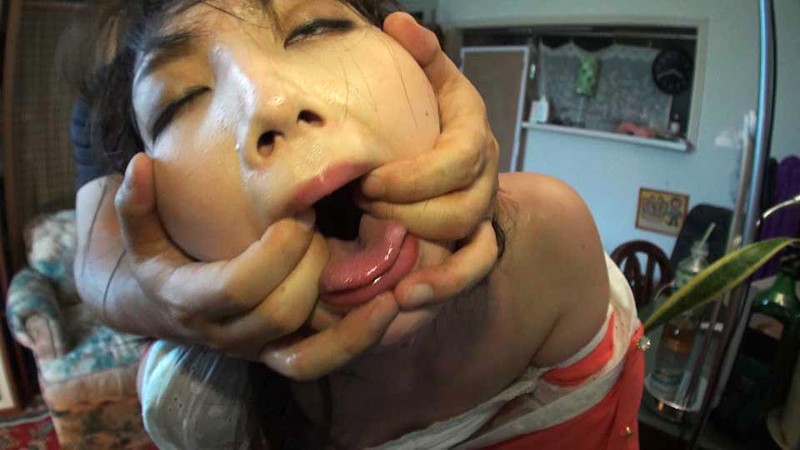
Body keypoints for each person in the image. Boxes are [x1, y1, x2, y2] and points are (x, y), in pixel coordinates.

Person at [79, 1, 645, 449]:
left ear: (425, 69)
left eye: (315, 28)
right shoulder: (193, 410)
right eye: (181, 101)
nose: (269, 101)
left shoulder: (551, 240)